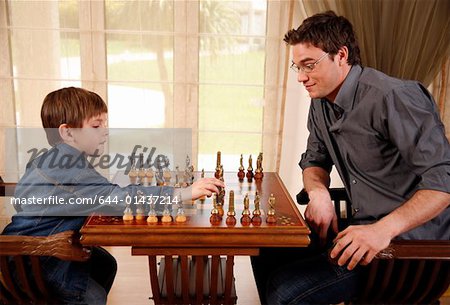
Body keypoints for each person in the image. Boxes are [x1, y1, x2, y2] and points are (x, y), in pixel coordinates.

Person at [251, 11, 450, 305]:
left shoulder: (393, 96)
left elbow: (444, 180)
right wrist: (318, 193)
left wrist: (383, 230)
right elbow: (314, 160)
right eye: (297, 66)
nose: (300, 77)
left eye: (309, 65)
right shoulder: (320, 101)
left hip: (408, 248)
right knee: (264, 253)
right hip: (361, 229)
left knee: (285, 291)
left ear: (341, 55)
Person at [2, 87, 224, 305]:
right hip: (34, 260)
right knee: (93, 296)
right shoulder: (69, 168)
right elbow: (119, 198)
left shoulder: (52, 159)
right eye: (96, 126)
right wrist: (182, 193)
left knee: (105, 264)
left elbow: (26, 198)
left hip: (27, 253)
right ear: (67, 132)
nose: (105, 131)